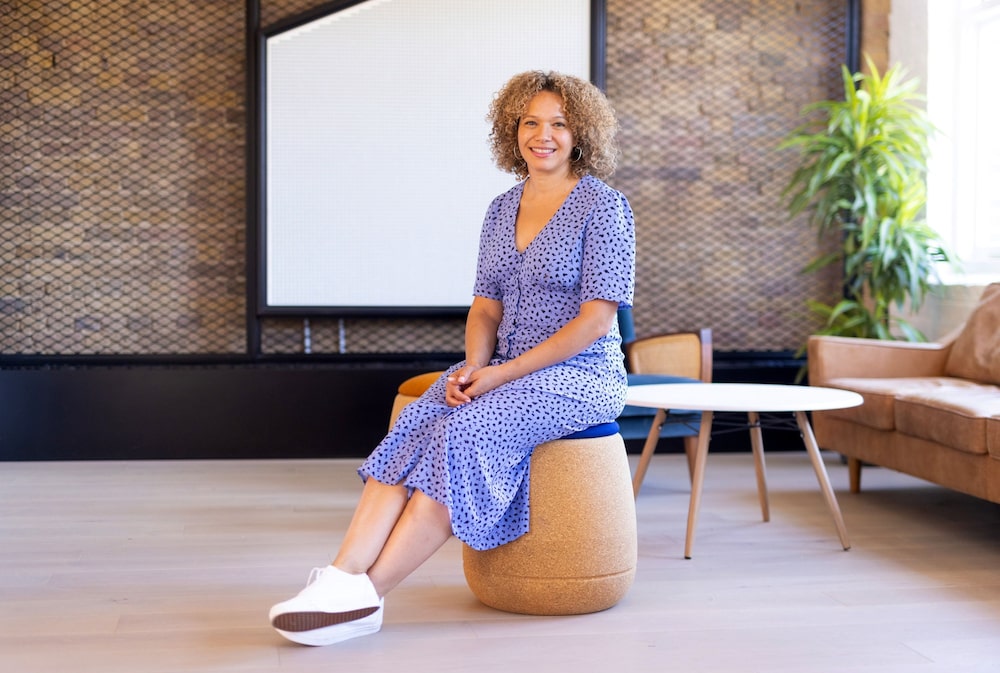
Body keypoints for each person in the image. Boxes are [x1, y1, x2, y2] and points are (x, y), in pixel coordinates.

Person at [268, 70, 636, 646]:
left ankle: (367, 598)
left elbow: (597, 320)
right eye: (530, 122)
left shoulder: (605, 208)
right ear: (511, 130)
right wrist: (472, 366)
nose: (543, 135)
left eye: (559, 124)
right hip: (501, 367)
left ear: (581, 132)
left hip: (580, 377)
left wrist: (500, 376)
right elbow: (485, 307)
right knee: (419, 418)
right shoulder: (499, 209)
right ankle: (340, 576)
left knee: (463, 433)